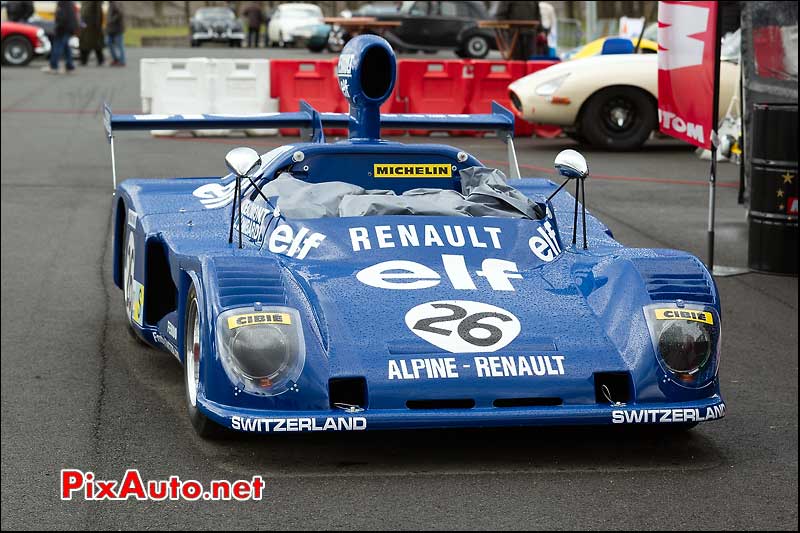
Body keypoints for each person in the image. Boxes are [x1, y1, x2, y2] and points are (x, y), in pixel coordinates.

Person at [42, 1, 77, 74]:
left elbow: (62, 16)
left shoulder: (62, 3)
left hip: (63, 28)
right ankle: (69, 66)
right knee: (66, 47)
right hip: (68, 27)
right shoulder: (68, 3)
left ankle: (54, 66)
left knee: (57, 47)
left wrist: (58, 27)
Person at [78, 0, 104, 66]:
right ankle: (84, 60)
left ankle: (99, 60)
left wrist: (97, 25)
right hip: (85, 25)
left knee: (94, 44)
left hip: (92, 26)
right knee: (85, 43)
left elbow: (98, 12)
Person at [105, 1, 126, 66]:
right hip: (111, 29)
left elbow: (120, 13)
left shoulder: (116, 3)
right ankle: (115, 59)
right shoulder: (111, 3)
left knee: (119, 45)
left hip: (117, 28)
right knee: (108, 43)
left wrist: (111, 20)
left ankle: (122, 61)